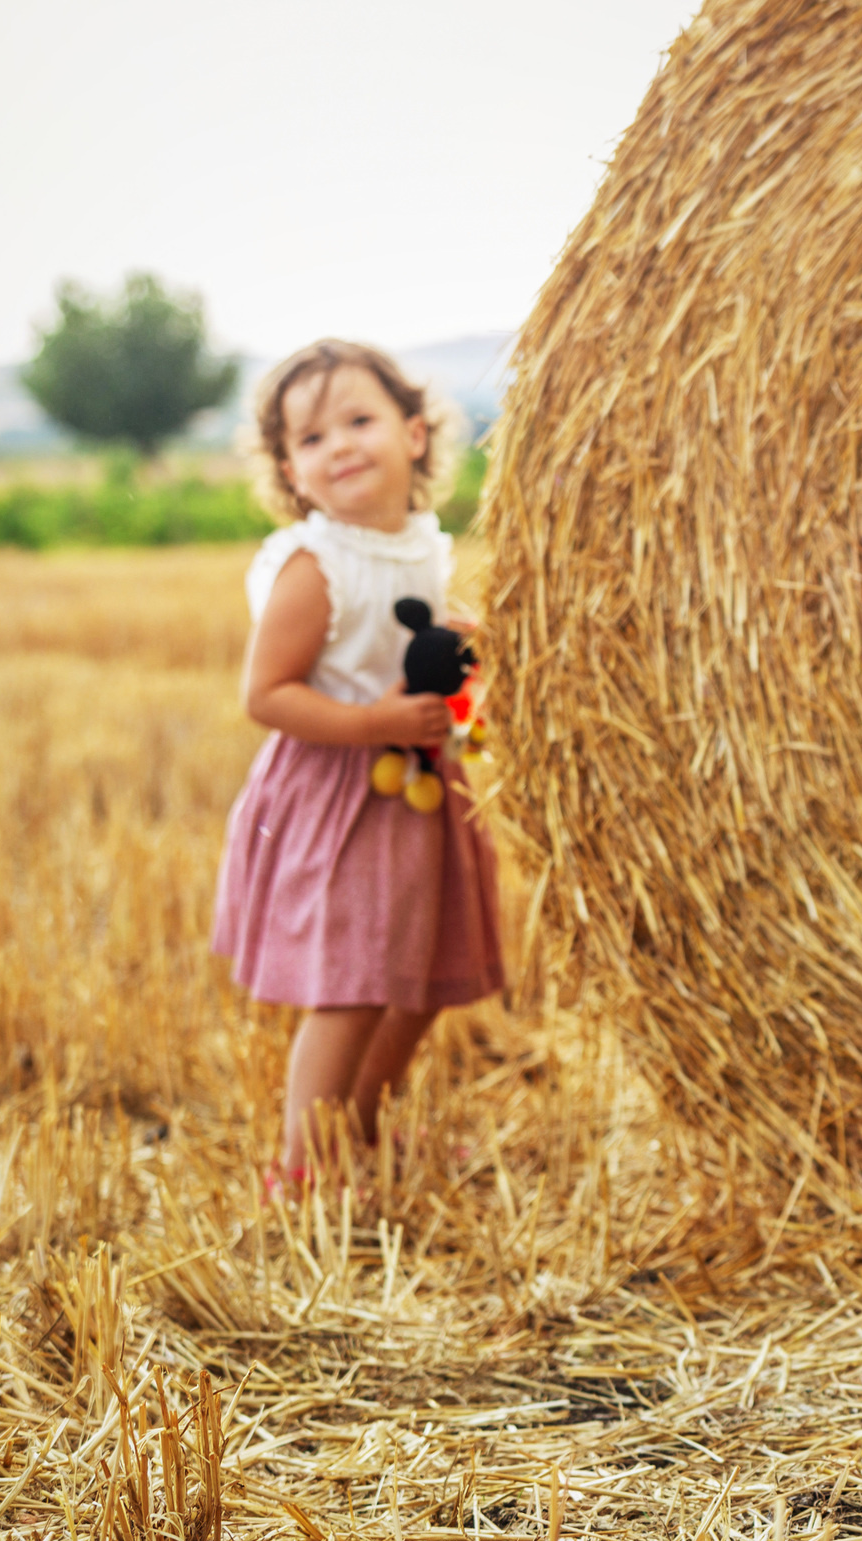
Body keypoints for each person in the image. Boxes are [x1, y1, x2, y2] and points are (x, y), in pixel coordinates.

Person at [211, 340, 505, 1197]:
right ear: (290, 473)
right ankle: (302, 1170)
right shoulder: (314, 565)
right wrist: (375, 719)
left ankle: (362, 1134)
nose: (338, 444)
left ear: (415, 434)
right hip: (336, 794)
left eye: (359, 420)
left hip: (416, 789)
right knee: (349, 988)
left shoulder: (420, 544)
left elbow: (412, 634)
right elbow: (266, 695)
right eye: (310, 438)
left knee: (418, 979)